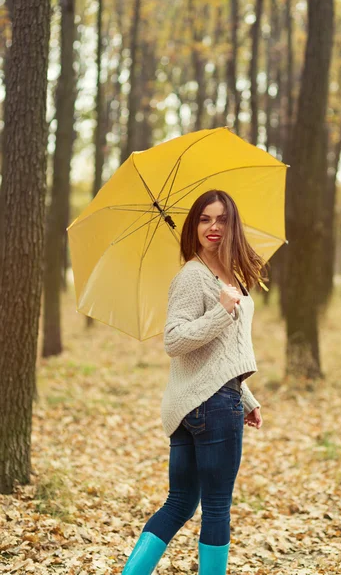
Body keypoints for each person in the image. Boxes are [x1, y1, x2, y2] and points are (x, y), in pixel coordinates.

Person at [122, 189, 265, 575]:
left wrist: (247, 396)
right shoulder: (192, 276)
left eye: (221, 219)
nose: (213, 226)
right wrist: (221, 310)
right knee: (215, 506)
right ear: (194, 226)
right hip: (211, 407)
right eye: (204, 219)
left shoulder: (229, 274)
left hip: (205, 400)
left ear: (232, 224)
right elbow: (175, 341)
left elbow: (222, 352)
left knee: (181, 502)